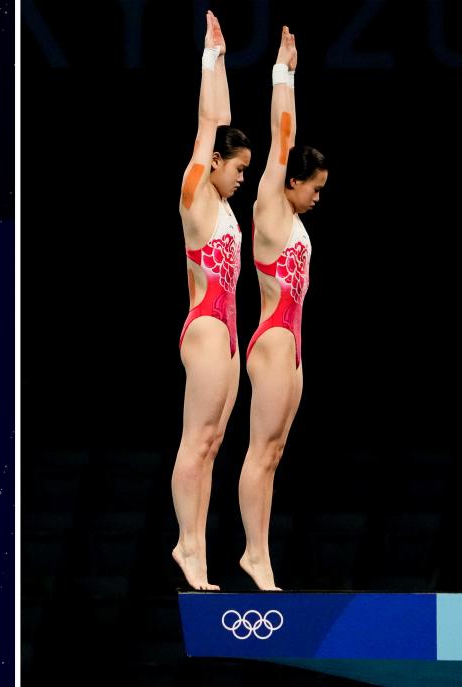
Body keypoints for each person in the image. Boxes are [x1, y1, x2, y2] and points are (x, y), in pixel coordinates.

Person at [239, 26, 327, 590]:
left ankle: (261, 555)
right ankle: (254, 554)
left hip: (292, 345)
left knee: (273, 455)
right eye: (314, 187)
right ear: (292, 181)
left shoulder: (293, 221)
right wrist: (284, 74)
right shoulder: (271, 205)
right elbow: (282, 132)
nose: (318, 196)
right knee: (258, 451)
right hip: (271, 339)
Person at [172, 11, 251, 591]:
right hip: (204, 327)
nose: (244, 177)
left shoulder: (225, 208)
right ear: (215, 164)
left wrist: (223, 63)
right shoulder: (197, 195)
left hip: (228, 329)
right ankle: (188, 544)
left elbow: (224, 121)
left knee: (216, 442)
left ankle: (197, 545)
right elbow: (210, 122)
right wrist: (211, 58)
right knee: (196, 441)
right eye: (239, 167)